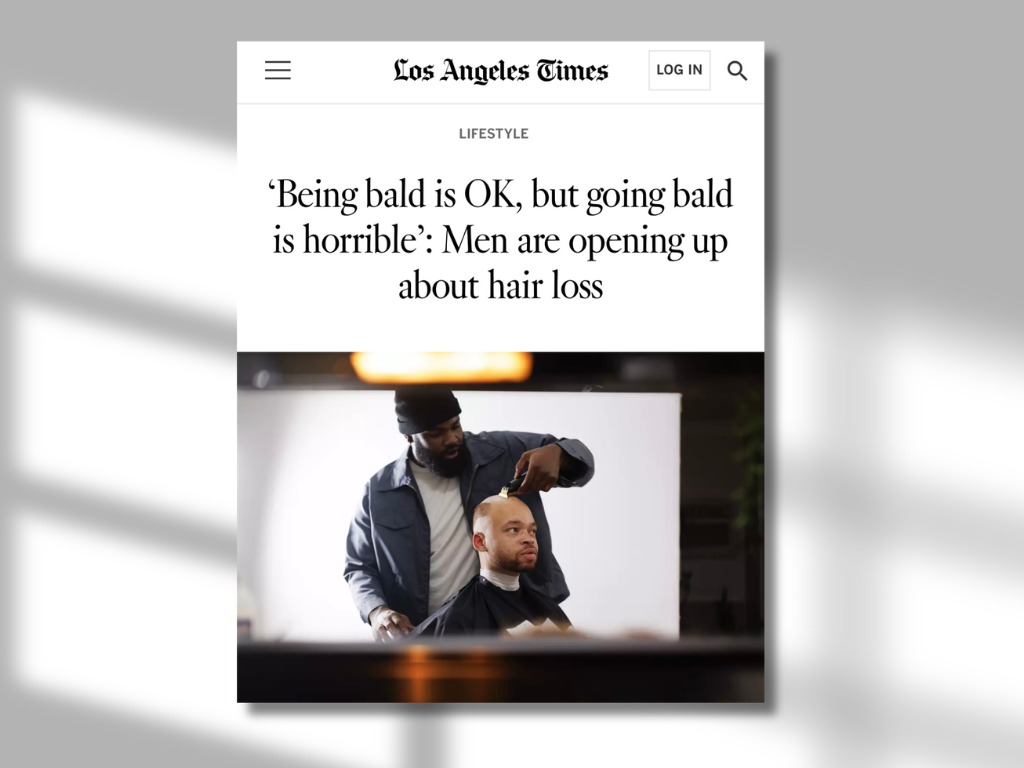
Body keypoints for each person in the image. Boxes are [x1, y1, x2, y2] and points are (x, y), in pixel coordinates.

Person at [344, 387, 594, 641]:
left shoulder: (504, 452)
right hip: (429, 635)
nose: (452, 438)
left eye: (455, 425)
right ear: (409, 435)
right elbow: (358, 566)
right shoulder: (379, 492)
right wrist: (376, 611)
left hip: (519, 623)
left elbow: (579, 459)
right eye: (436, 433)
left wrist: (559, 454)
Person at [411, 495, 572, 637]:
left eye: (532, 530)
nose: (529, 539)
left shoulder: (548, 608)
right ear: (480, 542)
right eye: (514, 529)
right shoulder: (457, 619)